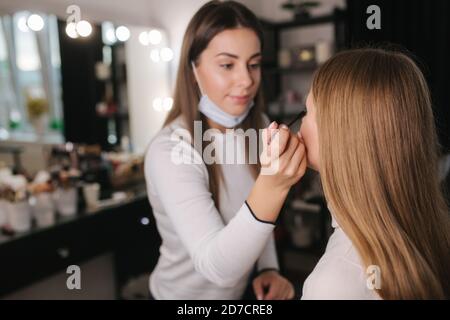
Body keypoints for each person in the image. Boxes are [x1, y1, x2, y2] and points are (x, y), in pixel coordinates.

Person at [144, 0, 307, 300]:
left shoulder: (258, 124)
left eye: (254, 64)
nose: (246, 80)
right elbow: (217, 269)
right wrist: (273, 186)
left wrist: (267, 268)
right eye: (227, 65)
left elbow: (257, 216)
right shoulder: (171, 150)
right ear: (193, 68)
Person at [298, 48, 450, 299]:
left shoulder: (333, 284)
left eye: (306, 112)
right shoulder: (439, 230)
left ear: (338, 135)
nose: (299, 125)